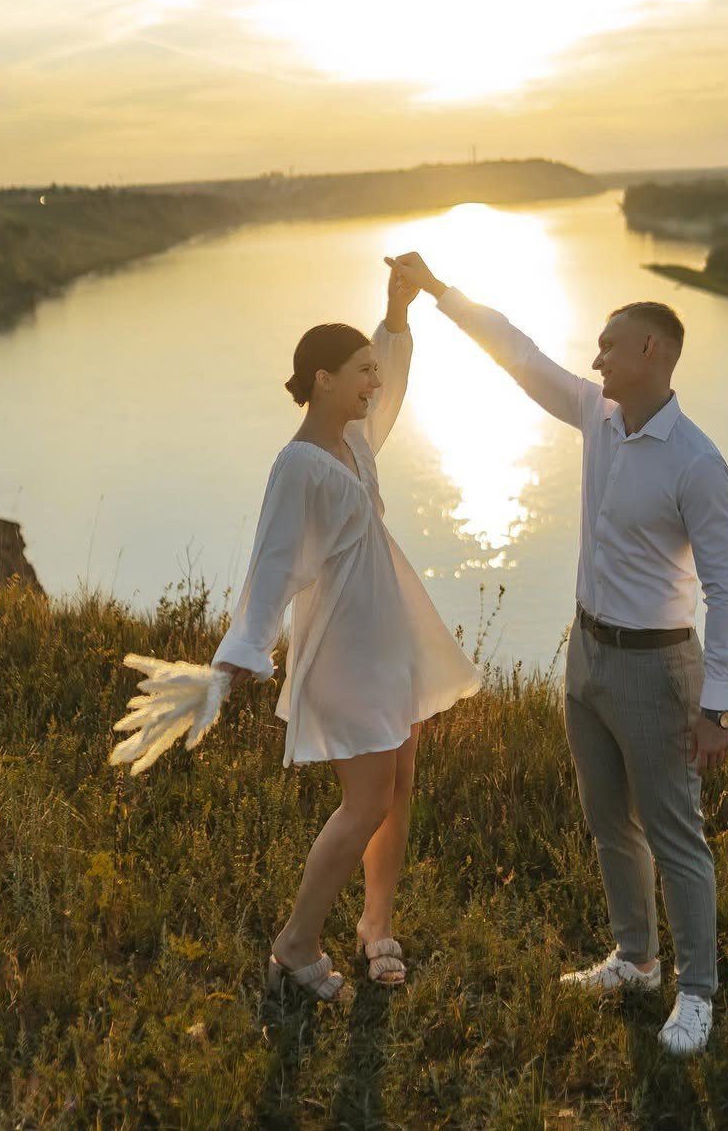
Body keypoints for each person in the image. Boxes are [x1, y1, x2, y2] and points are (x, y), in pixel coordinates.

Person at [385, 252, 728, 1056]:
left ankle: (698, 995)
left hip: (659, 670)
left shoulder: (698, 462)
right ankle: (637, 959)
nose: (595, 358)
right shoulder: (596, 417)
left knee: (676, 835)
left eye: (609, 345)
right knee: (608, 823)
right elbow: (518, 353)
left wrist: (719, 706)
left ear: (651, 351)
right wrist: (441, 292)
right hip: (587, 657)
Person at [211, 264, 481, 1001]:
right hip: (345, 647)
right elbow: (271, 562)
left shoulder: (355, 443)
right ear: (322, 379)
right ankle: (295, 947)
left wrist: (394, 315)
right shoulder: (297, 464)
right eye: (359, 372)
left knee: (398, 785)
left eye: (373, 371)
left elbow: (388, 374)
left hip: (388, 634)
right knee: (364, 800)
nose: (373, 383)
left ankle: (375, 924)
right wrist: (245, 647)